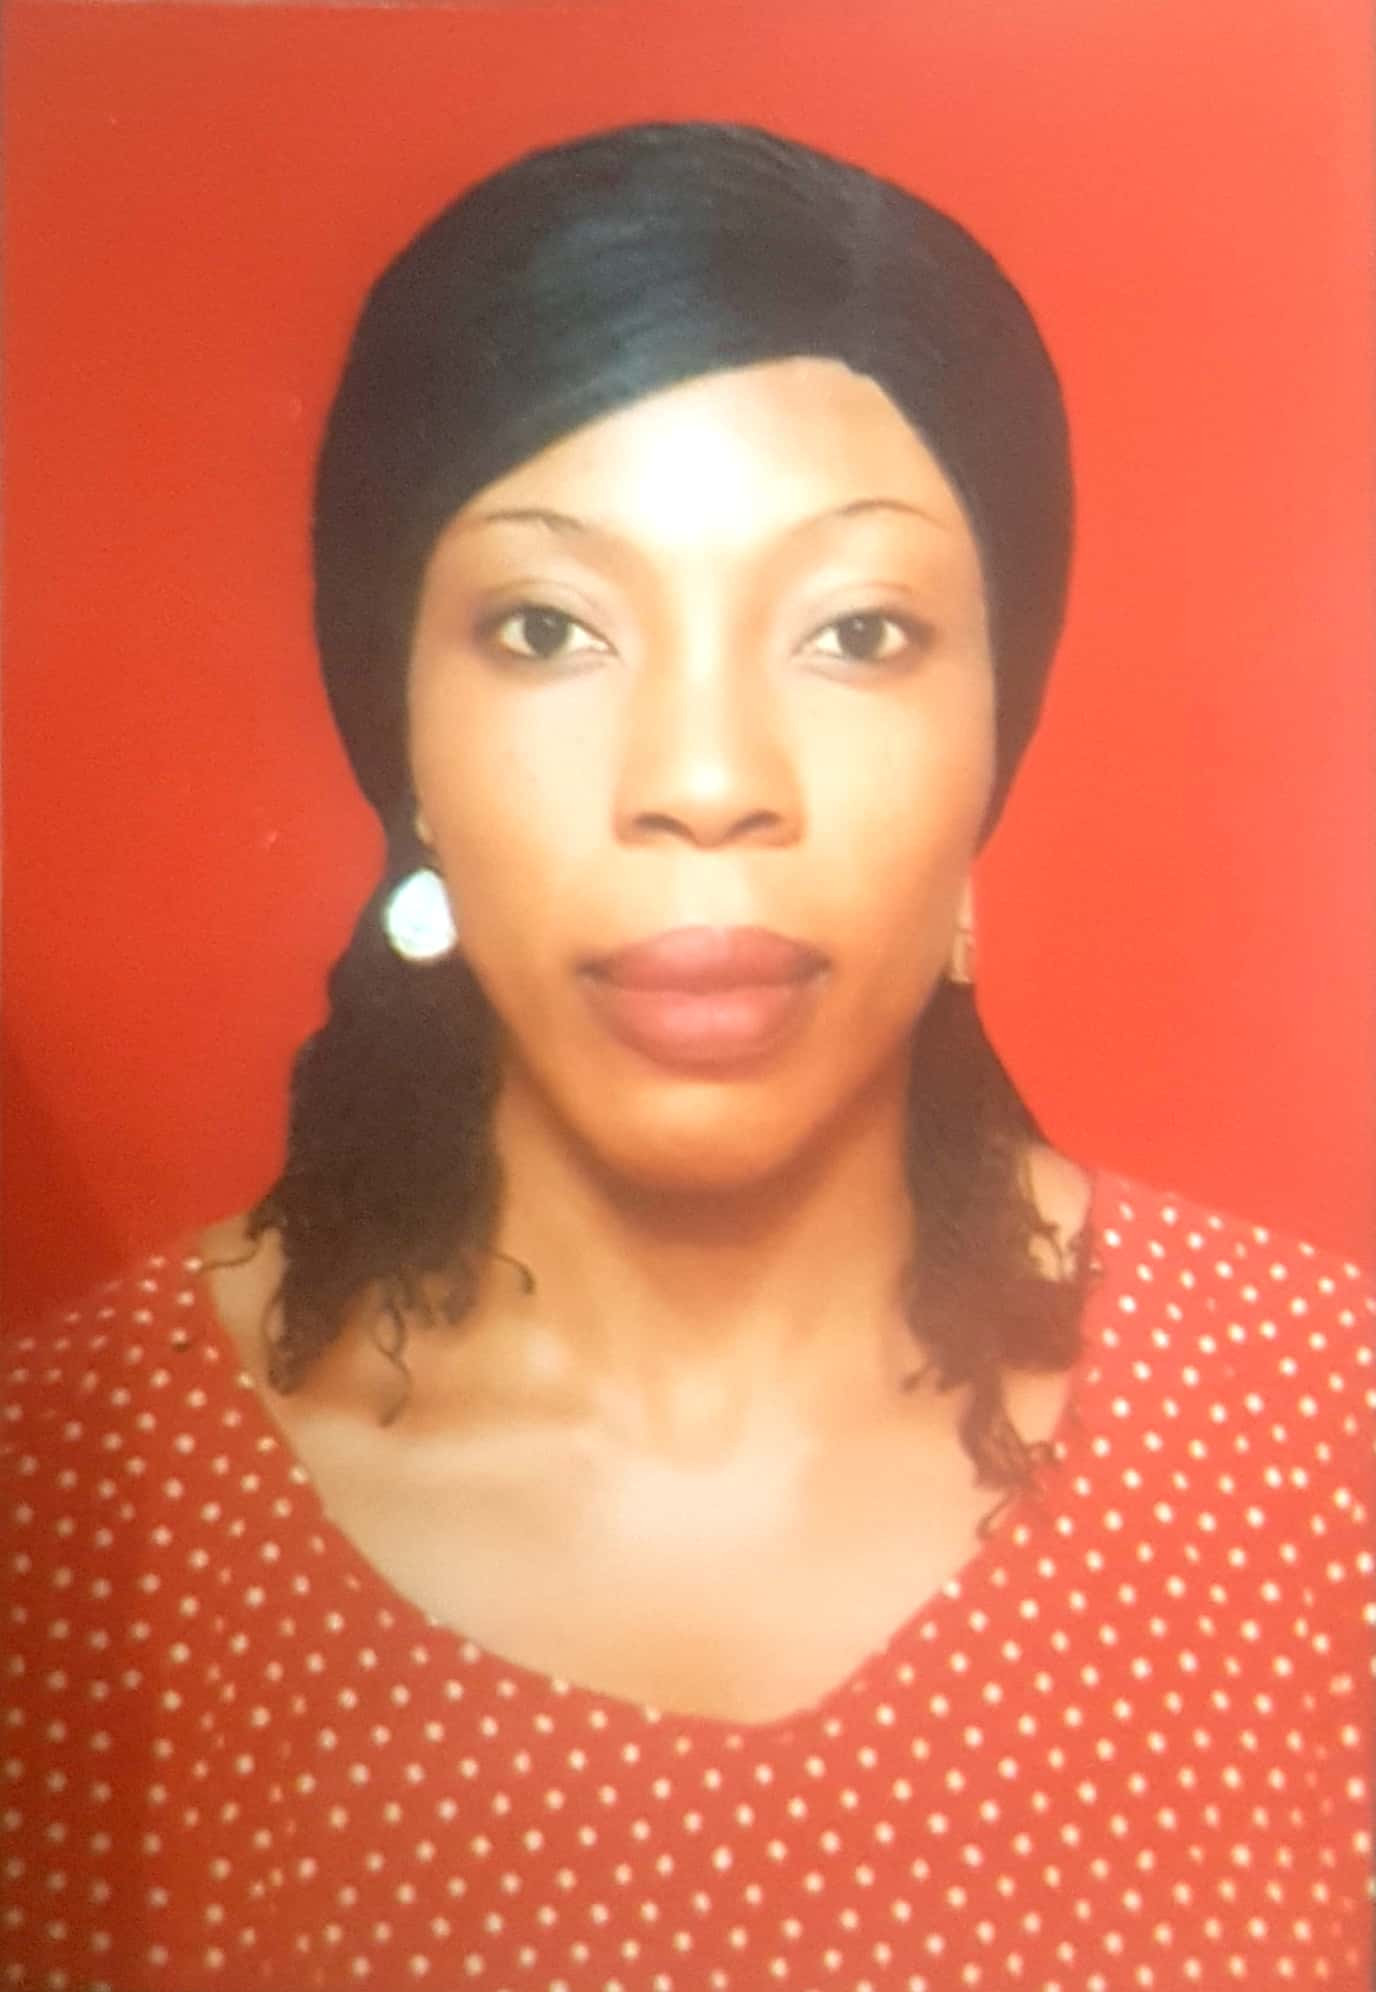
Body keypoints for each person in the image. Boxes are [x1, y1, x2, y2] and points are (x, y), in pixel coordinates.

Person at [2, 122, 1371, 1992]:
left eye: (859, 631)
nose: (707, 780)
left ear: (1000, 728)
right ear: (402, 737)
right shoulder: (65, 1517)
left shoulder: (1326, 1448)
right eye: (549, 628)